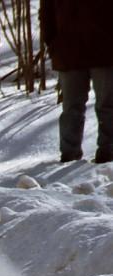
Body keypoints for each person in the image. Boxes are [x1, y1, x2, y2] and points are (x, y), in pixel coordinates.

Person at [41, 0, 113, 164]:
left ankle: (108, 154)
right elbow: (47, 15)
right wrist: (53, 44)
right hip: (69, 54)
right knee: (72, 108)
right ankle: (69, 155)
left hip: (105, 52)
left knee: (107, 106)